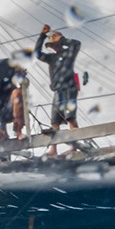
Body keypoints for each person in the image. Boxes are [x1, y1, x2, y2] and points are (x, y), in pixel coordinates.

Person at [35, 25, 83, 156]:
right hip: (58, 91)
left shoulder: (68, 53)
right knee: (54, 121)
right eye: (52, 45)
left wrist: (62, 39)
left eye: (55, 44)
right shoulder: (51, 58)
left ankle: (74, 146)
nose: (54, 47)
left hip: (69, 88)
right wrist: (42, 36)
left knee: (70, 117)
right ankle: (53, 149)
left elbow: (76, 44)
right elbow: (37, 54)